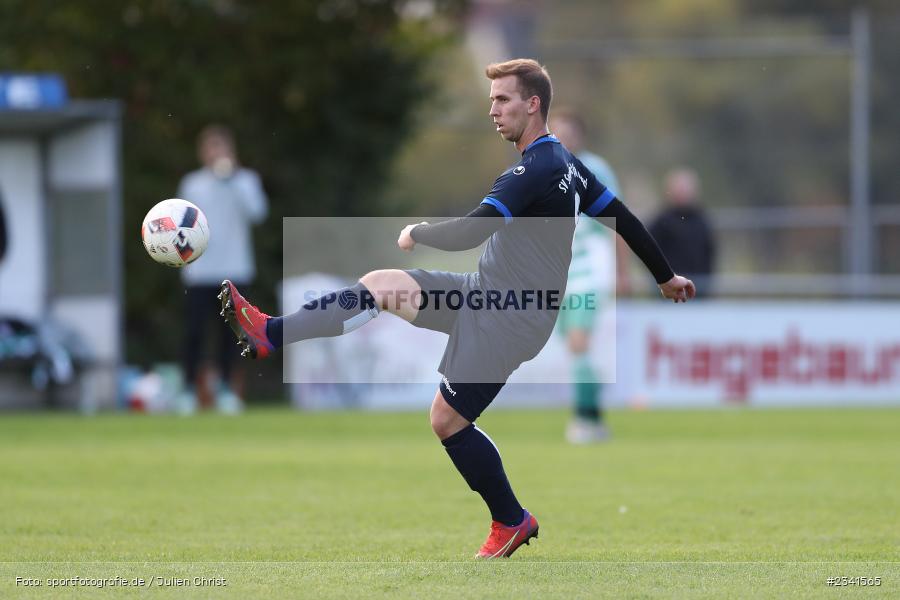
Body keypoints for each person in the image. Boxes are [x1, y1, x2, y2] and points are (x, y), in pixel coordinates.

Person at [219, 59, 694, 558]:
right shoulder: (567, 164)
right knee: (381, 286)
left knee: (447, 421)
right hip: (486, 294)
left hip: (509, 316)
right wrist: (666, 277)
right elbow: (624, 218)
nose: (493, 110)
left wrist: (417, 232)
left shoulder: (534, 170)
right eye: (491, 100)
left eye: (503, 100)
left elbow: (473, 230)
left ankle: (511, 520)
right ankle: (269, 332)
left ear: (533, 104)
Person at [176, 125, 268, 414]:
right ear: (202, 153)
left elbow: (257, 212)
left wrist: (232, 179)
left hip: (235, 271)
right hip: (199, 272)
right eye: (211, 148)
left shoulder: (246, 181)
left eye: (221, 148)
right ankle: (189, 391)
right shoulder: (192, 184)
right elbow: (179, 226)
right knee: (194, 333)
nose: (216, 154)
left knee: (233, 335)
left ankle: (229, 390)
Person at [550, 108, 623, 444]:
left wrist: (623, 271)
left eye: (568, 131)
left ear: (579, 135)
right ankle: (594, 418)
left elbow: (618, 222)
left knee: (579, 341)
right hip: (562, 274)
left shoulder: (595, 169)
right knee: (576, 348)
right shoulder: (546, 170)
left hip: (591, 268)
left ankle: (584, 420)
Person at [648, 168, 716, 297]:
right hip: (669, 290)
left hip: (698, 289)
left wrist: (707, 283)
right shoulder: (661, 221)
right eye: (679, 189)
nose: (683, 193)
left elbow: (710, 252)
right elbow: (648, 251)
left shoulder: (702, 220)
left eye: (685, 189)